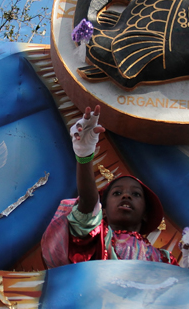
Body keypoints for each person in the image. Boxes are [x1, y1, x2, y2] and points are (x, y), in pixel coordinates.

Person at [41, 105, 176, 267]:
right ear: (103, 210)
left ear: (146, 214)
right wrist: (84, 156)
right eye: (117, 193)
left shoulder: (163, 259)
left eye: (136, 194)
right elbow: (88, 204)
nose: (126, 196)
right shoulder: (97, 238)